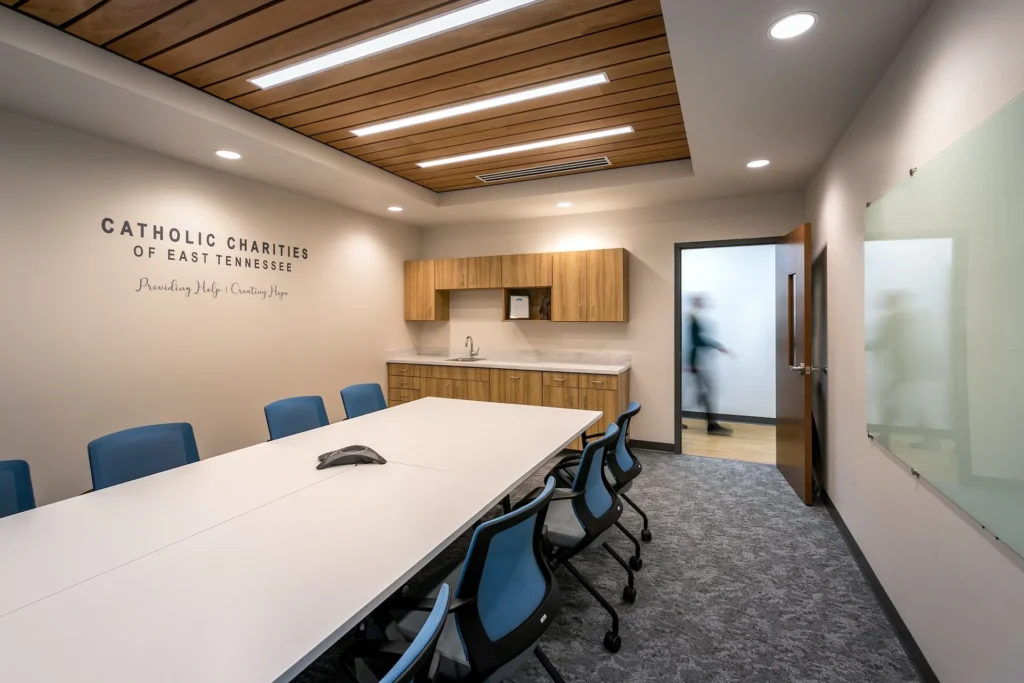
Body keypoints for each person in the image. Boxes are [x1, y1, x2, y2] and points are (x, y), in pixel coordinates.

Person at [687, 294, 734, 436]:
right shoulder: (692, 317)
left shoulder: (695, 317)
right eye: (700, 300)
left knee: (705, 392)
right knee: (707, 392)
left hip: (698, 362)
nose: (703, 303)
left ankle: (711, 424)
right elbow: (696, 340)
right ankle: (712, 426)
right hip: (696, 362)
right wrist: (718, 346)